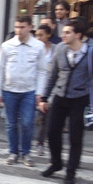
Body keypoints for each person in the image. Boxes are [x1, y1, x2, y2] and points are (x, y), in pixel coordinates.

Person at [39, 17, 93, 184]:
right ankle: (56, 163)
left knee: (76, 137)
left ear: (78, 35)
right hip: (60, 97)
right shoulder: (60, 49)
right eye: (63, 32)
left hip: (80, 99)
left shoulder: (92, 50)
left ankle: (71, 171)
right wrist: (45, 97)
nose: (63, 35)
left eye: (67, 32)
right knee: (52, 132)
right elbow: (52, 74)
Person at [0, 16, 47, 167]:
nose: (19, 30)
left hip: (29, 90)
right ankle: (13, 152)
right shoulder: (7, 45)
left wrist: (39, 92)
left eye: (22, 27)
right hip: (9, 90)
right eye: (17, 27)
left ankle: (26, 153)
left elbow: (43, 71)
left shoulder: (38, 46)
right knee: (11, 124)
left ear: (30, 27)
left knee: (28, 123)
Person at [33, 24, 56, 156]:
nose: (38, 38)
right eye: (36, 35)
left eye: (41, 35)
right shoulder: (34, 49)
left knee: (45, 116)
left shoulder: (55, 49)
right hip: (35, 85)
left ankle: (40, 143)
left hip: (49, 88)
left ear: (48, 35)